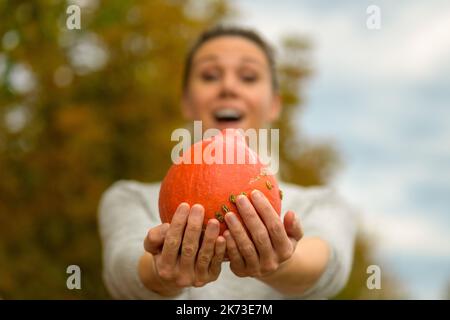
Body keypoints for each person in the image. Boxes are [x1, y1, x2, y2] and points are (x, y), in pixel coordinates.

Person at [98, 25, 356, 299]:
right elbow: (123, 271)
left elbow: (327, 269)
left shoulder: (322, 202)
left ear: (273, 105)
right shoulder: (129, 197)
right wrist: (162, 273)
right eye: (209, 76)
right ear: (187, 101)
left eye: (248, 76)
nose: (228, 87)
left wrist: (282, 264)